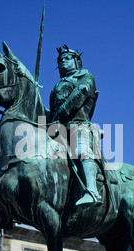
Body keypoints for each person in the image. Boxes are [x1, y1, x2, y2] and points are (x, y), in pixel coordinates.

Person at [50, 45, 102, 208]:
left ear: (77, 61)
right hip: (58, 129)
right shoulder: (56, 87)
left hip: (79, 125)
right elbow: (52, 112)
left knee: (81, 150)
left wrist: (58, 116)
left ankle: (92, 191)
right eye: (60, 60)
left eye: (67, 59)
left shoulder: (85, 76)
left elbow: (79, 94)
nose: (63, 62)